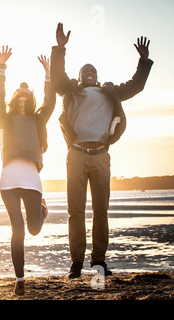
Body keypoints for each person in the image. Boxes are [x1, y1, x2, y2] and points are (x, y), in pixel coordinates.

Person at [50, 23, 153, 278]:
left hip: (101, 157)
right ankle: (76, 263)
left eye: (92, 70)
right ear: (79, 75)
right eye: (84, 70)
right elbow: (57, 79)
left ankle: (98, 262)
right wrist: (60, 48)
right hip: (75, 155)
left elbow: (136, 86)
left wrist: (143, 61)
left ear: (97, 76)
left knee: (101, 212)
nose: (88, 72)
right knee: (75, 211)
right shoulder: (70, 90)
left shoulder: (110, 92)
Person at [0, 46, 56, 295]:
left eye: (26, 99)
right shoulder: (4, 119)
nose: (21, 102)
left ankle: (41, 209)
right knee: (17, 230)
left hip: (31, 179)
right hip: (8, 180)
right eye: (18, 99)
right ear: (14, 100)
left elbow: (50, 102)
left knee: (34, 229)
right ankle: (19, 279)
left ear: (30, 102)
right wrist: (1, 66)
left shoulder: (38, 119)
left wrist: (48, 74)